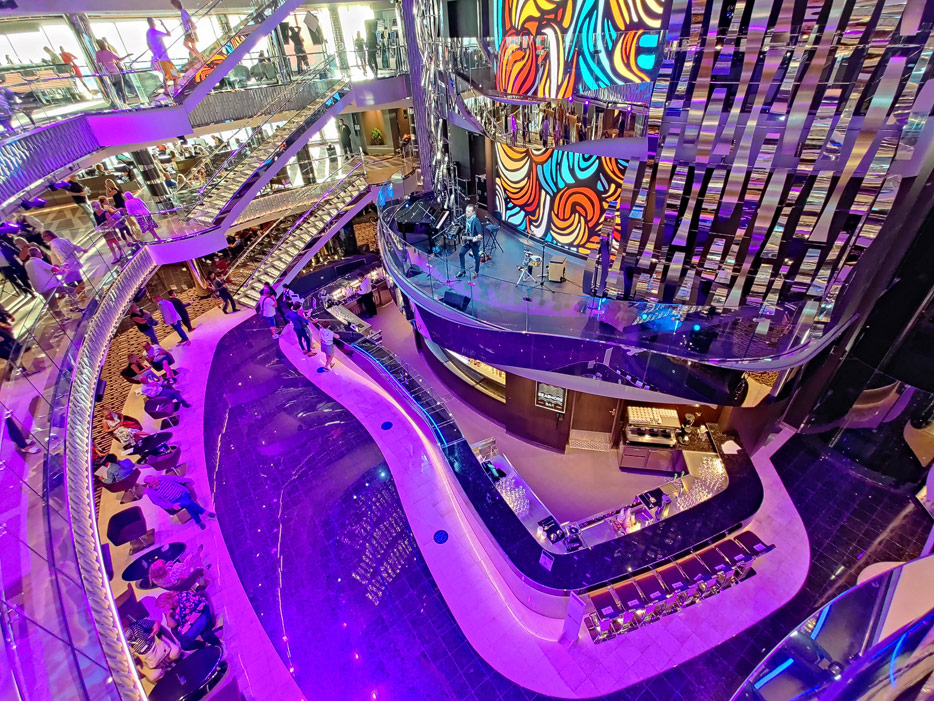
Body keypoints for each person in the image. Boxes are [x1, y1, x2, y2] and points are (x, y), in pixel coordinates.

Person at [157, 590, 222, 650]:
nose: (163, 611)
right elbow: (172, 625)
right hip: (192, 622)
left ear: (167, 602)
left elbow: (200, 608)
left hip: (202, 612)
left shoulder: (183, 597)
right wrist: (168, 616)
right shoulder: (171, 609)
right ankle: (204, 644)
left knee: (204, 635)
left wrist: (189, 624)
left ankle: (219, 645)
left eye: (163, 608)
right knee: (185, 645)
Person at [143, 473, 214, 529]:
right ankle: (205, 513)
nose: (156, 481)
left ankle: (199, 521)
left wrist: (188, 480)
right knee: (188, 503)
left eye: (155, 479)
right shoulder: (150, 493)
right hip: (174, 501)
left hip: (183, 494)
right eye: (153, 481)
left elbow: (176, 478)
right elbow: (159, 503)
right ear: (149, 484)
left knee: (188, 504)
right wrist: (171, 506)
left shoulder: (162, 478)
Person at [125, 617, 181, 683]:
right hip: (148, 660)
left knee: (175, 652)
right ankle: (164, 671)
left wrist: (156, 629)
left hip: (158, 647)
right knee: (154, 676)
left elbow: (156, 623)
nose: (125, 631)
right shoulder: (124, 645)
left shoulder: (138, 624)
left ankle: (170, 662)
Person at [94, 39, 135, 104]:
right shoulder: (109, 52)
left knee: (115, 89)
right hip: (115, 72)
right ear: (104, 44)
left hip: (108, 74)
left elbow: (98, 63)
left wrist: (97, 72)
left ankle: (119, 103)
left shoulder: (98, 53)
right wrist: (127, 55)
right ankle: (124, 103)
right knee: (121, 89)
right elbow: (119, 59)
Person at [146, 17, 179, 96]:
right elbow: (169, 34)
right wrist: (163, 25)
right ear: (151, 22)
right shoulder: (155, 32)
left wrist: (154, 53)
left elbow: (149, 45)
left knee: (166, 75)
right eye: (153, 22)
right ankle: (174, 90)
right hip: (163, 57)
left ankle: (168, 90)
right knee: (174, 74)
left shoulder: (148, 33)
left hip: (160, 57)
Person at [457, 205, 483, 279]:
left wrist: (476, 238)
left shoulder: (476, 221)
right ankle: (462, 270)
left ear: (473, 212)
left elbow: (480, 236)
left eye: (468, 212)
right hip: (468, 241)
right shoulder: (468, 219)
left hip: (474, 243)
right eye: (466, 211)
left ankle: (476, 271)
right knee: (461, 253)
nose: (466, 213)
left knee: (476, 256)